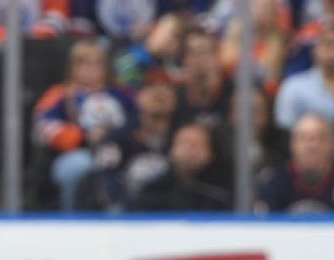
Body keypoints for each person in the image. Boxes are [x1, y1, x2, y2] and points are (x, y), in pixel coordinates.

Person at [32, 39, 135, 211]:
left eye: (97, 63)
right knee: (80, 166)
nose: (91, 68)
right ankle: (72, 219)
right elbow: (42, 125)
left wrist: (115, 135)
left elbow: (136, 119)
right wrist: (82, 136)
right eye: (83, 63)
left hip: (118, 150)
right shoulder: (62, 94)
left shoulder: (120, 94)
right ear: (72, 67)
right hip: (79, 153)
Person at [80, 82, 176, 211]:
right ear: (138, 97)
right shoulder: (119, 137)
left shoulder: (186, 134)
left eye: (165, 89)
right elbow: (106, 174)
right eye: (151, 89)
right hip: (128, 210)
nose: (158, 94)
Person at [258, 111, 334, 211]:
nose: (312, 146)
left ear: (333, 145)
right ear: (293, 145)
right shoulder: (274, 184)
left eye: (321, 138)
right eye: (304, 138)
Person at [132, 122, 232, 210]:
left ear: (210, 153)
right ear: (171, 150)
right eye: (185, 143)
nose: (190, 150)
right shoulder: (152, 193)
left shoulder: (222, 195)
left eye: (197, 144)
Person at [275, 16, 334, 128]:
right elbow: (285, 131)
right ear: (315, 49)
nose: (333, 51)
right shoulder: (294, 87)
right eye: (328, 44)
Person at [173, 28, 232, 129]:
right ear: (183, 60)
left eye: (205, 52)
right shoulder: (174, 100)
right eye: (193, 53)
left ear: (217, 57)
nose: (199, 60)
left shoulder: (233, 95)